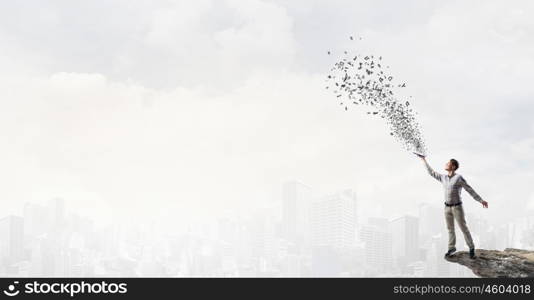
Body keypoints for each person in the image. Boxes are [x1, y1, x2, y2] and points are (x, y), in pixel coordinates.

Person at [415, 153, 488, 259]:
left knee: (463, 228)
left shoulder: (459, 178)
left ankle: (471, 248)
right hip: (447, 208)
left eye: (447, 163)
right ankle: (451, 248)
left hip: (457, 207)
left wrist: (481, 200)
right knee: (450, 229)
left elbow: (469, 189)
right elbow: (431, 172)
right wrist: (423, 160)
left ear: (453, 166)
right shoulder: (443, 177)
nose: (445, 164)